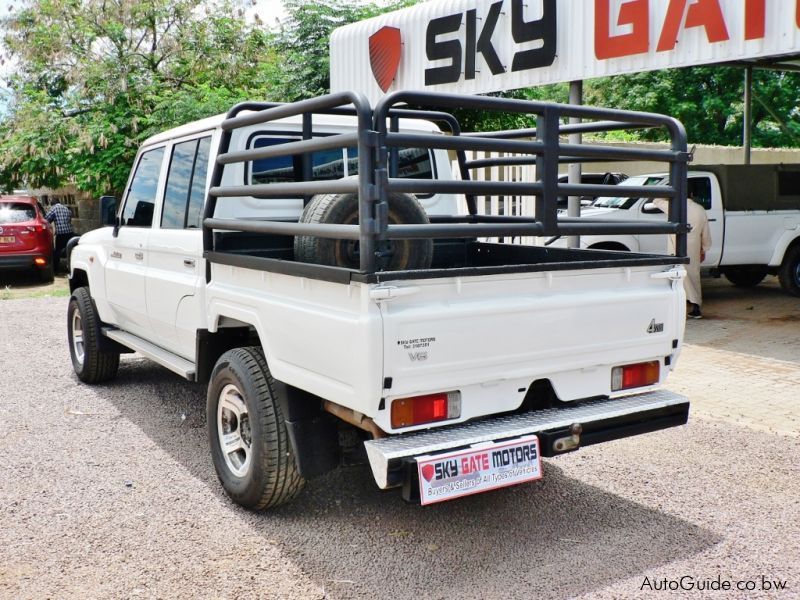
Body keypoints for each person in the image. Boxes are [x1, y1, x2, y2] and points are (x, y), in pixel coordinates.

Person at [654, 195, 712, 319]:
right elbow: (705, 231)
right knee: (692, 276)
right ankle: (696, 307)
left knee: (675, 275)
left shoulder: (674, 207)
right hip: (693, 247)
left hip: (675, 246)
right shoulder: (700, 209)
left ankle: (676, 309)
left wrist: (668, 196)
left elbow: (656, 201)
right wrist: (704, 249)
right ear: (691, 195)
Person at [45, 201, 74, 268]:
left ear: (52, 204)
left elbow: (46, 219)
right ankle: (69, 266)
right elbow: (69, 219)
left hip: (61, 233)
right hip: (70, 232)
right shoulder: (66, 208)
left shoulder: (54, 208)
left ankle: (57, 268)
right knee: (68, 249)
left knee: (58, 251)